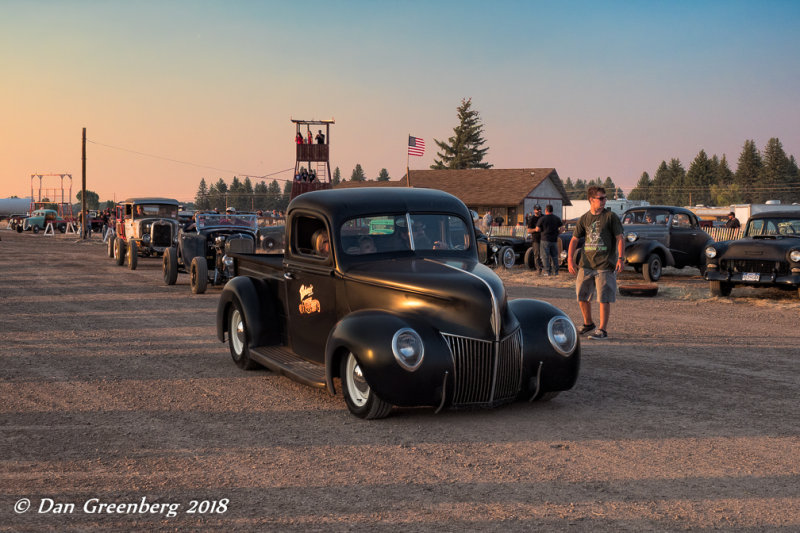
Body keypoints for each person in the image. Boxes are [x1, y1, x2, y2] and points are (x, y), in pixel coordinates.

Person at [567, 186, 624, 340]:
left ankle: (602, 330)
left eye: (605, 198)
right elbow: (574, 239)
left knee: (603, 298)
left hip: (605, 264)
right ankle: (588, 324)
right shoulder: (584, 218)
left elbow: (620, 238)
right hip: (586, 264)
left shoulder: (610, 217)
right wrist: (570, 259)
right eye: (601, 198)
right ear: (591, 200)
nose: (604, 200)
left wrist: (620, 258)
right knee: (582, 295)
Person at [535, 204, 562, 276]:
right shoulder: (557, 218)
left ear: (546, 210)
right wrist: (558, 233)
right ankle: (555, 272)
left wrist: (541, 230)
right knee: (554, 256)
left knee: (545, 256)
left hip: (545, 239)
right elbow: (562, 228)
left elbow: (537, 229)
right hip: (554, 240)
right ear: (552, 210)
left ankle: (547, 271)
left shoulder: (542, 219)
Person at [526, 205, 544, 274]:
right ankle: (539, 269)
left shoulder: (543, 217)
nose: (539, 211)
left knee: (545, 254)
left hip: (544, 238)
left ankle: (547, 268)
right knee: (537, 254)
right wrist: (535, 230)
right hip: (536, 239)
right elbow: (528, 230)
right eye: (537, 210)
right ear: (534, 210)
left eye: (540, 209)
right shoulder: (532, 219)